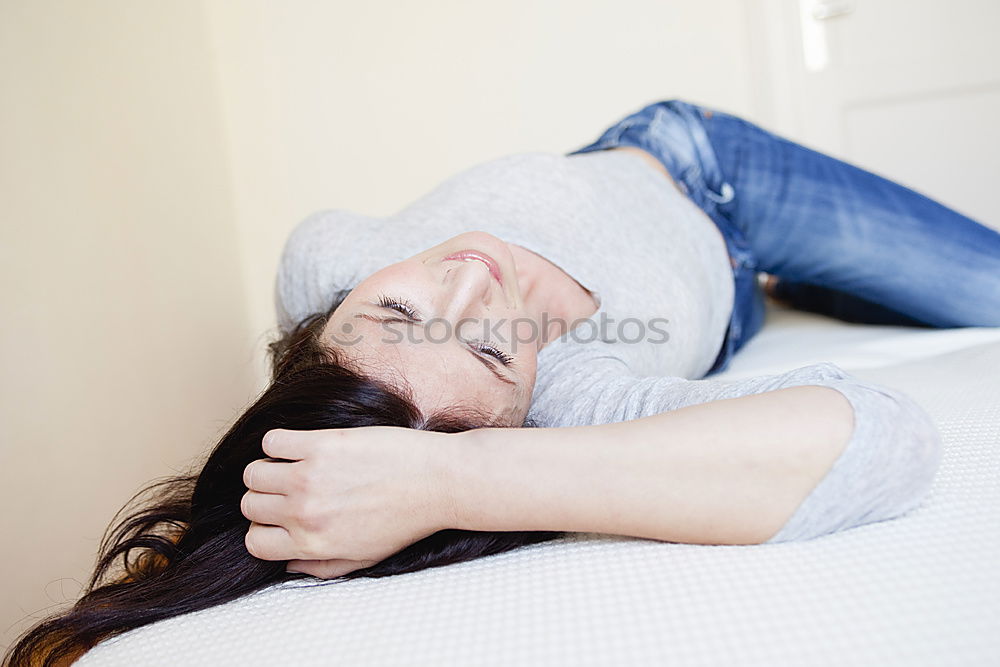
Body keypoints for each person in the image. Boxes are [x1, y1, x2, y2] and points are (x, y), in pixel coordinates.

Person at [7, 99, 997, 667]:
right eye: (492, 350)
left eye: (395, 314)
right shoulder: (572, 399)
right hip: (730, 280)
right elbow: (883, 441)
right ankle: (780, 289)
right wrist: (455, 480)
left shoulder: (319, 263)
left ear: (327, 323)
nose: (476, 280)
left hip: (699, 161)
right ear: (514, 417)